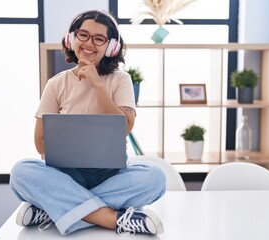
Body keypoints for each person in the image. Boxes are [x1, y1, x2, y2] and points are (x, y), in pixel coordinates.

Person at [9, 10, 166, 236]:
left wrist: (96, 84)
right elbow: (41, 144)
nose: (89, 44)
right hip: (66, 174)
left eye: (99, 39)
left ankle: (56, 208)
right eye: (83, 35)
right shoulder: (56, 84)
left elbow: (124, 128)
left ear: (111, 47)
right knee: (20, 173)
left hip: (110, 175)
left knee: (156, 178)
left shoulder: (121, 80)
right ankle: (113, 218)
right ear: (72, 39)